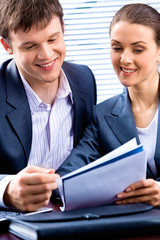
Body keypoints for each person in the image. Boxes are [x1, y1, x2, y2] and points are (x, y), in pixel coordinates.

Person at [56, 3, 160, 207]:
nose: (125, 59)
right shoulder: (102, 115)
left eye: (138, 49)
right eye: (117, 48)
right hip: (131, 227)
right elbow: (67, 177)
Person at [0, 0, 96, 212]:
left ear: (63, 28)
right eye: (30, 46)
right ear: (7, 46)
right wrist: (6, 191)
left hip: (74, 217)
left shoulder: (84, 79)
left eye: (52, 39)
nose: (46, 55)